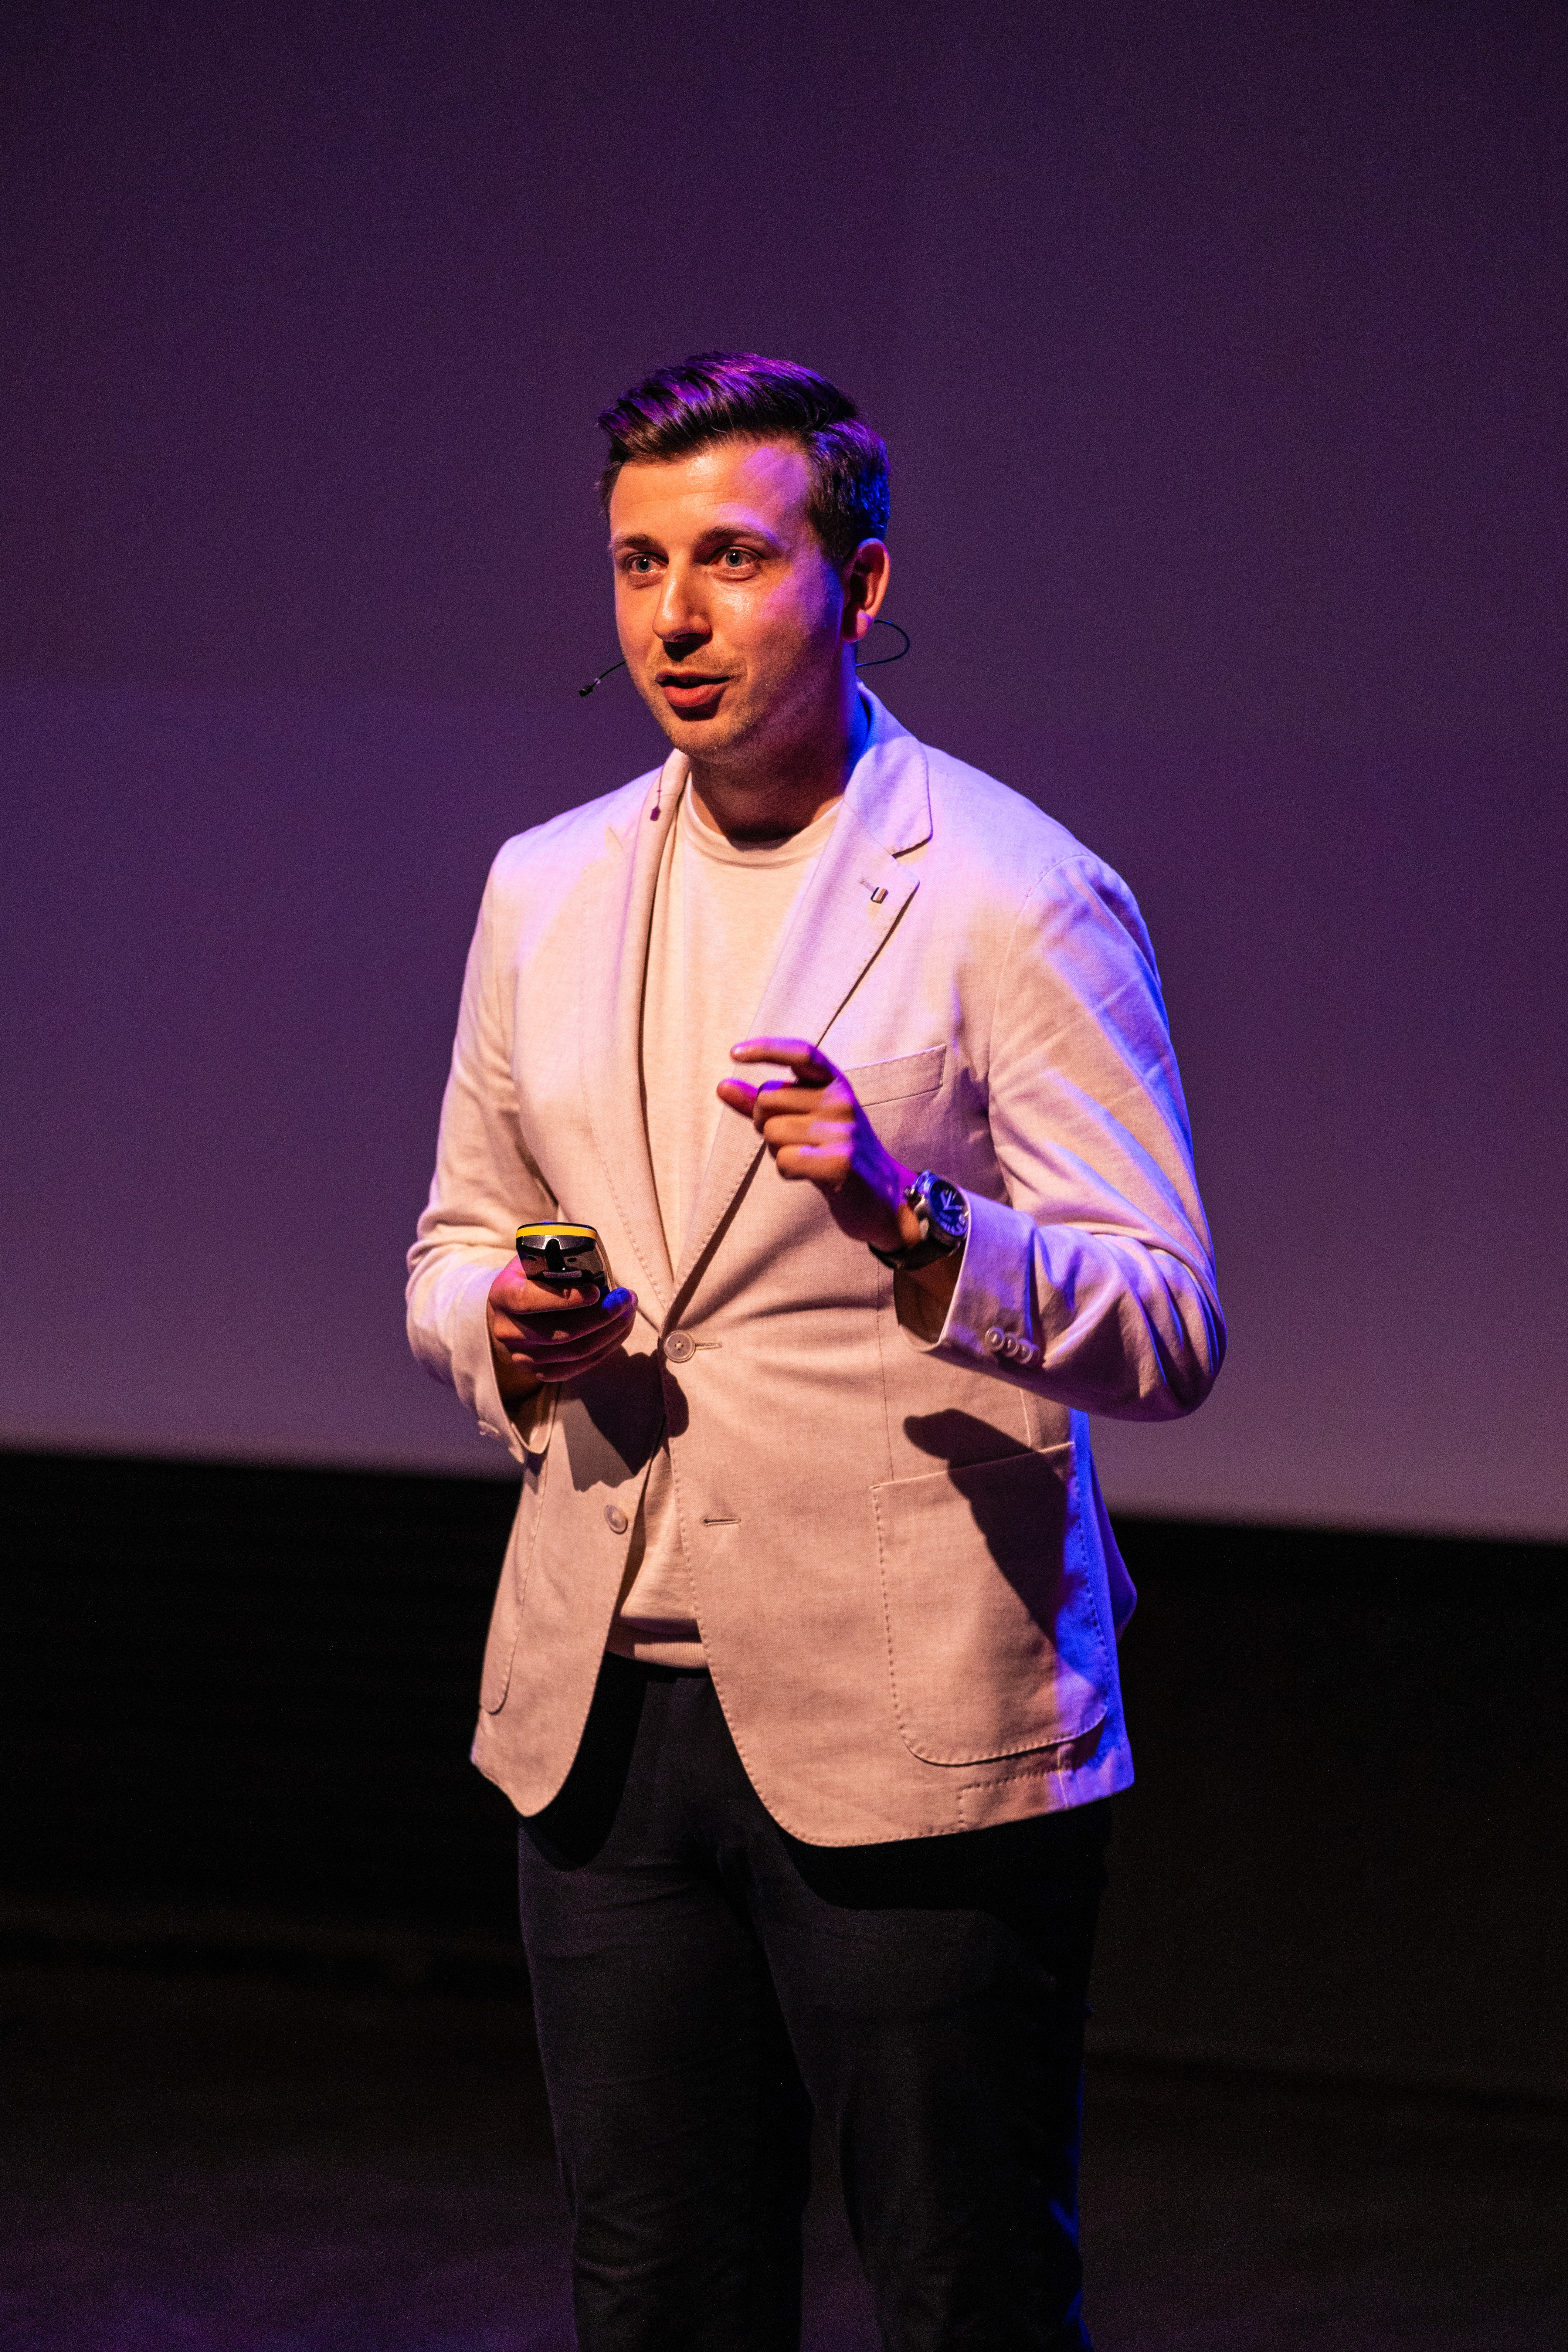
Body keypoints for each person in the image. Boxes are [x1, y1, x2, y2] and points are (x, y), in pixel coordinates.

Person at [407, 351, 1223, 2351]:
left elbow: (1170, 1319)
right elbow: (448, 1239)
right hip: (604, 1726)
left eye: (735, 560)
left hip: (914, 1721)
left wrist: (917, 1220)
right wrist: (501, 1330)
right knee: (657, 2289)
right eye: (637, 565)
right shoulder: (546, 887)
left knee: (960, 2289)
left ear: (855, 590)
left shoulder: (1015, 897)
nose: (675, 616)